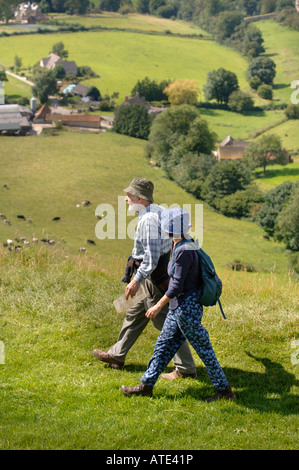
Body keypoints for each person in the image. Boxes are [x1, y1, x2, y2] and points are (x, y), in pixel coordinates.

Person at [121, 207, 236, 402]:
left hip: (186, 309)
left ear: (170, 228)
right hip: (178, 307)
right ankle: (146, 386)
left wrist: (157, 306)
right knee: (163, 346)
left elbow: (176, 286)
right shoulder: (180, 244)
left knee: (204, 350)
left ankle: (225, 392)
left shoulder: (184, 251)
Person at [93, 178, 197, 379]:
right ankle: (117, 355)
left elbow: (151, 256)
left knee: (166, 323)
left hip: (153, 278)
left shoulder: (148, 220)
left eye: (129, 196)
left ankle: (186, 369)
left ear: (140, 198)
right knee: (133, 312)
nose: (126, 199)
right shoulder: (156, 210)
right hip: (154, 275)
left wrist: (136, 280)